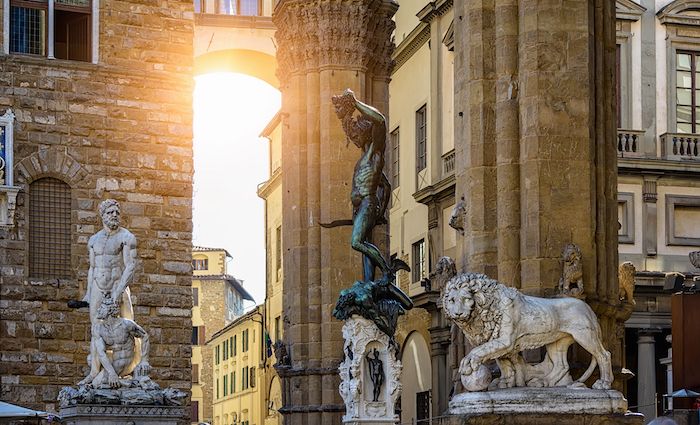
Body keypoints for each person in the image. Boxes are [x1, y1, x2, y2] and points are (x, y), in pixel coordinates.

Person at [79, 199, 140, 384]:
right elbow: (92, 267)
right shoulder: (93, 240)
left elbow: (130, 266)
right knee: (95, 329)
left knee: (128, 327)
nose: (114, 215)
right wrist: (89, 294)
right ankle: (94, 371)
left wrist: (118, 292)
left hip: (117, 287)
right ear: (102, 216)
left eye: (117, 212)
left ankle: (135, 367)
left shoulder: (126, 237)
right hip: (98, 286)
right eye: (110, 212)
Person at [78, 295, 150, 388]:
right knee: (90, 359)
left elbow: (145, 336)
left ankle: (127, 383)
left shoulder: (126, 324)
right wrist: (111, 373)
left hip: (125, 360)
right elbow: (101, 353)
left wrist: (144, 360)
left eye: (102, 308)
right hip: (113, 359)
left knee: (98, 383)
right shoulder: (98, 328)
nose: (98, 310)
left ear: (109, 310)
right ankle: (125, 382)